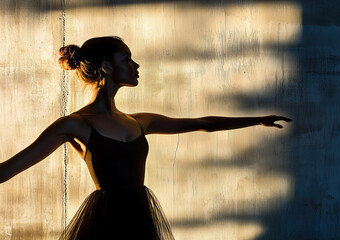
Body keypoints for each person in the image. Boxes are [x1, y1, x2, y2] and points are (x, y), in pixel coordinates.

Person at [0, 36, 292, 239]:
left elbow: (203, 124)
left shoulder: (139, 121)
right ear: (106, 67)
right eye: (127, 58)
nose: (136, 65)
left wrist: (259, 120)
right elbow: (6, 171)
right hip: (104, 225)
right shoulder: (74, 125)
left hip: (140, 220)